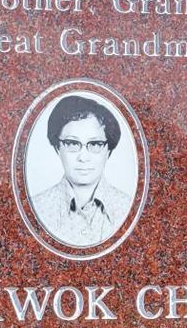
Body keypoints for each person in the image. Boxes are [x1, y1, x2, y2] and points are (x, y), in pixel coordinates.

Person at [28, 94, 132, 248]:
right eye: (72, 143)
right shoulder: (36, 208)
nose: (83, 157)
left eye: (95, 144)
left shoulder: (128, 207)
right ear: (57, 148)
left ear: (108, 151)